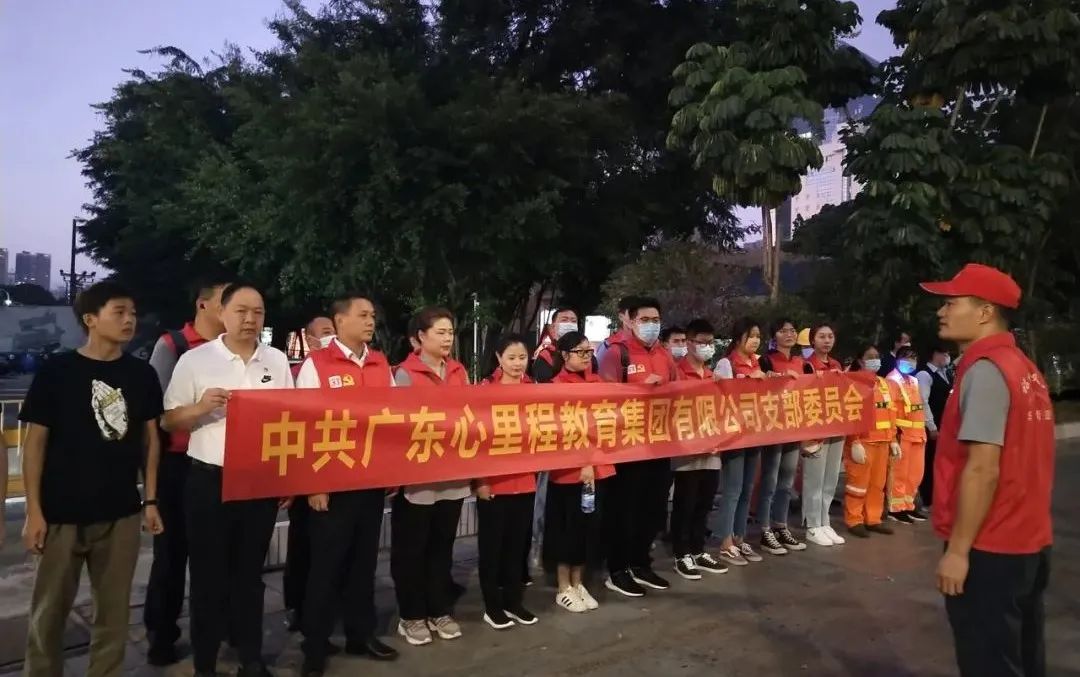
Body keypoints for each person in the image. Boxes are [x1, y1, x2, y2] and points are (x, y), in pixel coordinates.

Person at [19, 282, 165, 677]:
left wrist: (151, 500)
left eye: (132, 313)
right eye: (119, 312)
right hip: (60, 513)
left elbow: (151, 441)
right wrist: (34, 511)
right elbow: (34, 445)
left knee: (113, 616)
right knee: (48, 614)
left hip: (121, 513)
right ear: (90, 319)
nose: (129, 320)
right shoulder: (57, 372)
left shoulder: (142, 374)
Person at [921, 263, 1054, 677]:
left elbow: (982, 469)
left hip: (990, 546)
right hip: (1028, 542)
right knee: (1023, 656)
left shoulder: (986, 371)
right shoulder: (1023, 368)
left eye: (951, 303)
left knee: (989, 661)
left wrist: (958, 552)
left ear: (984, 312)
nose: (941, 312)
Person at [162, 282, 294, 677]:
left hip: (258, 482)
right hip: (209, 482)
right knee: (208, 576)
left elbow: (289, 420)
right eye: (241, 311)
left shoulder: (276, 361)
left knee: (250, 575)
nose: (250, 319)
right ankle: (205, 662)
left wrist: (285, 477)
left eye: (258, 312)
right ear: (221, 312)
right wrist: (200, 408)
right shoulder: (196, 360)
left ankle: (251, 658)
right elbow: (168, 420)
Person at [295, 295, 399, 676]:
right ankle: (315, 645)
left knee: (363, 563)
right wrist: (314, 483)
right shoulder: (317, 364)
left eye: (373, 315)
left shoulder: (380, 362)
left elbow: (392, 419)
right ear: (339, 321)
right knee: (325, 567)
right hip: (331, 482)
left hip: (369, 480)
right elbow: (303, 425)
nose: (371, 321)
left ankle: (361, 634)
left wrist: (391, 470)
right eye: (363, 315)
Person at [144, 277, 229, 665]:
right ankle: (162, 635)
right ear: (203, 304)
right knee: (171, 555)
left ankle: (217, 630)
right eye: (226, 301)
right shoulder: (173, 346)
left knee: (218, 555)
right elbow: (155, 414)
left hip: (221, 464)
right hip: (178, 465)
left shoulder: (234, 351)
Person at [391, 307, 470, 646]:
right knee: (411, 551)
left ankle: (439, 609)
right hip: (418, 479)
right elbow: (397, 427)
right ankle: (411, 615)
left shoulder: (459, 371)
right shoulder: (404, 375)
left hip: (453, 477)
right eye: (440, 332)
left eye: (450, 332)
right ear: (420, 337)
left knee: (442, 548)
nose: (447, 338)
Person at [598, 297, 678, 597]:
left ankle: (641, 563)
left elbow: (683, 390)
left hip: (658, 444)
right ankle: (617, 569)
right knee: (623, 511)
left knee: (652, 509)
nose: (651, 325)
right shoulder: (615, 352)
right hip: (626, 448)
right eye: (645, 320)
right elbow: (604, 398)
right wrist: (641, 389)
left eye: (656, 320)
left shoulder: (664, 354)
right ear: (630, 321)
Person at [545, 331, 613, 612]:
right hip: (569, 472)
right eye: (579, 352)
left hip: (598, 470)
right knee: (567, 530)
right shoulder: (555, 387)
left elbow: (607, 426)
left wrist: (593, 462)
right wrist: (583, 461)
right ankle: (563, 586)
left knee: (588, 529)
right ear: (564, 355)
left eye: (588, 351)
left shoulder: (598, 384)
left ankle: (579, 581)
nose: (586, 357)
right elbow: (558, 432)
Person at [475, 334, 540, 629]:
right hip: (494, 484)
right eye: (511, 358)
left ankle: (514, 602)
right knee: (492, 549)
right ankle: (492, 606)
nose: (517, 363)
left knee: (516, 547)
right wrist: (481, 481)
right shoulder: (485, 390)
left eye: (522, 357)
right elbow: (475, 439)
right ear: (499, 358)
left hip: (525, 481)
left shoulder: (535, 389)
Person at [284, 314, 336, 632]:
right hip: (306, 474)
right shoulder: (297, 372)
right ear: (310, 339)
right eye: (326, 332)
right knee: (302, 546)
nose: (332, 337)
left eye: (334, 331)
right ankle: (296, 607)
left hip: (337, 470)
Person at [669, 319, 728, 579]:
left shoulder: (713, 376)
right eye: (701, 342)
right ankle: (681, 553)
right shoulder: (677, 373)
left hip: (712, 449)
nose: (706, 347)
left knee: (704, 502)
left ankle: (698, 549)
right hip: (686, 451)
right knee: (686, 503)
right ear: (689, 343)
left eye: (710, 342)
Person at [713, 318, 765, 567]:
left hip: (755, 432)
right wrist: (747, 381)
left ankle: (739, 537)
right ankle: (725, 542)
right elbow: (721, 397)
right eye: (751, 335)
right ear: (738, 338)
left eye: (758, 336)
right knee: (733, 490)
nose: (755, 340)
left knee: (747, 489)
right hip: (734, 435)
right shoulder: (727, 364)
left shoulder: (758, 362)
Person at [756, 319, 808, 555]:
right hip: (773, 428)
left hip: (794, 427)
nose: (789, 334)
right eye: (783, 330)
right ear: (774, 336)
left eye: (792, 330)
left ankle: (780, 525)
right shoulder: (766, 360)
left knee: (787, 481)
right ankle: (764, 529)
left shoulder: (801, 363)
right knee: (770, 480)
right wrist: (775, 377)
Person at [842, 346, 899, 538]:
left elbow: (891, 413)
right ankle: (854, 520)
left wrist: (893, 439)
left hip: (883, 441)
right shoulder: (853, 382)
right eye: (870, 357)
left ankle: (873, 519)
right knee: (858, 484)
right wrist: (854, 441)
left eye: (877, 356)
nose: (875, 359)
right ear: (860, 360)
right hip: (863, 442)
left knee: (877, 484)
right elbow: (850, 413)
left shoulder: (884, 384)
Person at [802, 324, 847, 547]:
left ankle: (824, 521)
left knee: (830, 478)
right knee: (814, 479)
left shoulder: (836, 365)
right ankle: (812, 525)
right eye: (821, 336)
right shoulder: (807, 365)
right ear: (813, 340)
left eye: (830, 336)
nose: (827, 340)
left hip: (835, 425)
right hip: (815, 429)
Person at [887, 346, 929, 524]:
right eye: (906, 358)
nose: (910, 362)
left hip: (918, 434)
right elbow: (890, 410)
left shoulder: (914, 381)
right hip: (901, 434)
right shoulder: (892, 380)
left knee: (915, 474)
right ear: (897, 360)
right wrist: (892, 436)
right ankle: (895, 509)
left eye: (913, 358)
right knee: (899, 473)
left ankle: (908, 505)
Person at [916, 344, 952, 509]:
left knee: (940, 462)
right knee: (929, 461)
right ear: (934, 354)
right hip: (932, 425)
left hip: (945, 424)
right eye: (944, 353)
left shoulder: (945, 373)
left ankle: (939, 496)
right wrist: (931, 426)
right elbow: (923, 401)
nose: (946, 357)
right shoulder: (925, 374)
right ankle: (927, 498)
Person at [530, 307, 578, 382]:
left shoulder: (587, 354)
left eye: (573, 321)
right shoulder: (546, 356)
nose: (569, 324)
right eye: (564, 320)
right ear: (553, 327)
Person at [593, 295, 639, 366]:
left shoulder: (652, 344)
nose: (637, 318)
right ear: (621, 316)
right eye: (632, 314)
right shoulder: (609, 345)